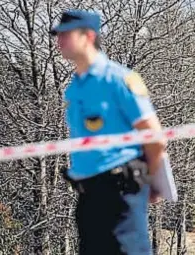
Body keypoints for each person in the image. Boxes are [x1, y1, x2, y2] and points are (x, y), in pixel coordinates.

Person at [51, 10, 166, 255]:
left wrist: (152, 180)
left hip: (121, 194)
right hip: (87, 195)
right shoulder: (75, 87)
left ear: (88, 36)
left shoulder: (119, 80)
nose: (59, 41)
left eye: (66, 35)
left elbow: (154, 137)